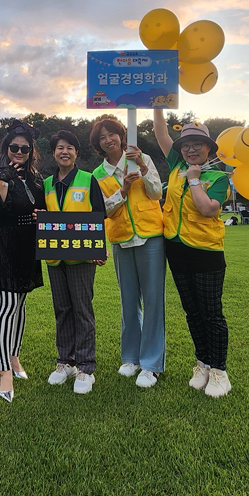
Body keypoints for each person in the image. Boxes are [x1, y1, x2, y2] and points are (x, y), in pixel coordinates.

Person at [153, 111, 233, 398]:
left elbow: (208, 209)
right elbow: (161, 133)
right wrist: (158, 103)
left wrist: (196, 180)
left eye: (198, 143)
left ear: (209, 148)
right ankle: (202, 363)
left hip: (207, 251)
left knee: (211, 314)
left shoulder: (219, 176)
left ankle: (219, 371)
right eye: (186, 143)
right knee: (192, 312)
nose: (191, 149)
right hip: (176, 248)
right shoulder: (177, 166)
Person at [90, 116, 166, 389]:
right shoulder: (98, 175)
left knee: (154, 301)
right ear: (98, 144)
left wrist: (144, 169)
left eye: (112, 134)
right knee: (128, 301)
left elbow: (157, 194)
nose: (108, 140)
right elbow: (103, 212)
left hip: (150, 237)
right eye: (102, 137)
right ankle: (131, 358)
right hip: (121, 239)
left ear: (122, 136)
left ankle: (152, 364)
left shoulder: (140, 158)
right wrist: (123, 190)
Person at [0, 120, 45, 403]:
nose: (19, 151)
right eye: (14, 147)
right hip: (5, 242)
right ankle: (4, 370)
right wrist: (4, 183)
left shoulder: (36, 179)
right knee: (7, 304)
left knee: (21, 303)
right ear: (7, 148)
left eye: (25, 148)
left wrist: (39, 215)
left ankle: (15, 356)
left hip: (27, 242)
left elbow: (41, 207)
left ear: (31, 150)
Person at [43, 130, 107, 395]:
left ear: (77, 153)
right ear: (54, 153)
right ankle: (65, 362)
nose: (64, 152)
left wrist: (99, 248)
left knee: (82, 309)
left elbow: (99, 214)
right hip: (55, 256)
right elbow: (42, 215)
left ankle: (85, 367)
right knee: (62, 309)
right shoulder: (46, 183)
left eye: (70, 147)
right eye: (60, 148)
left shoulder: (88, 179)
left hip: (82, 254)